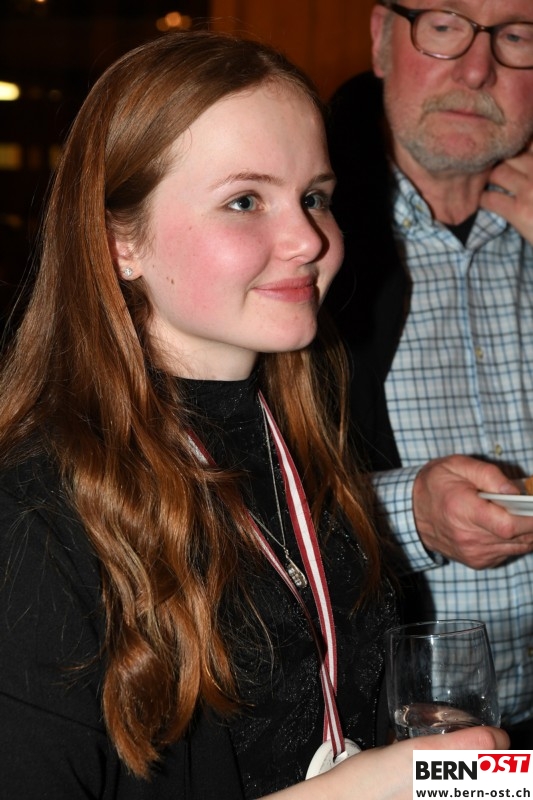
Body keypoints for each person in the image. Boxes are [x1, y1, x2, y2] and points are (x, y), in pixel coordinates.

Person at [0, 29, 506, 800]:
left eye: (314, 197)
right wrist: (356, 790)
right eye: (244, 201)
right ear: (119, 241)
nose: (307, 238)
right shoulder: (32, 514)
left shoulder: (300, 446)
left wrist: (490, 775)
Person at [325, 0, 533, 747]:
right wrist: (409, 513)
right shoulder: (303, 247)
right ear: (382, 39)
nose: (476, 69)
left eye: (517, 35)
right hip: (390, 747)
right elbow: (224, 503)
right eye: (445, 25)